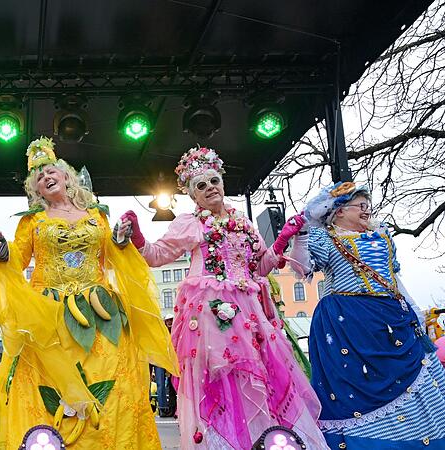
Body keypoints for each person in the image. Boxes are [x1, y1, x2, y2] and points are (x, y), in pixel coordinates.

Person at [119, 146, 327, 449]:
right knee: (223, 375)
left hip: (249, 310)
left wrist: (281, 242)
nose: (209, 189)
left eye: (213, 181)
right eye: (201, 186)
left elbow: (260, 266)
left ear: (222, 183)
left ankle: (263, 437)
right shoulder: (190, 223)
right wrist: (138, 237)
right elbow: (158, 254)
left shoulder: (242, 222)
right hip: (210, 312)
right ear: (193, 195)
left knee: (260, 374)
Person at [0, 137, 179, 449]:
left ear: (66, 176)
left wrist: (122, 239)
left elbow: (111, 253)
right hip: (50, 315)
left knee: (113, 384)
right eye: (39, 177)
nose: (46, 177)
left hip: (101, 313)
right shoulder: (33, 221)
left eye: (51, 171)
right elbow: (17, 259)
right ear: (35, 190)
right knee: (50, 387)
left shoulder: (96, 215)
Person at [289, 182, 445, 449]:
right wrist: (302, 230)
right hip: (348, 324)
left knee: (416, 374)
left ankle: (421, 439)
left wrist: (415, 312)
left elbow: (394, 280)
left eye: (367, 206)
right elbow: (301, 268)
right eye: (360, 206)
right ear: (338, 212)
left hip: (392, 319)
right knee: (357, 388)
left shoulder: (382, 237)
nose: (366, 211)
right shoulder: (325, 237)